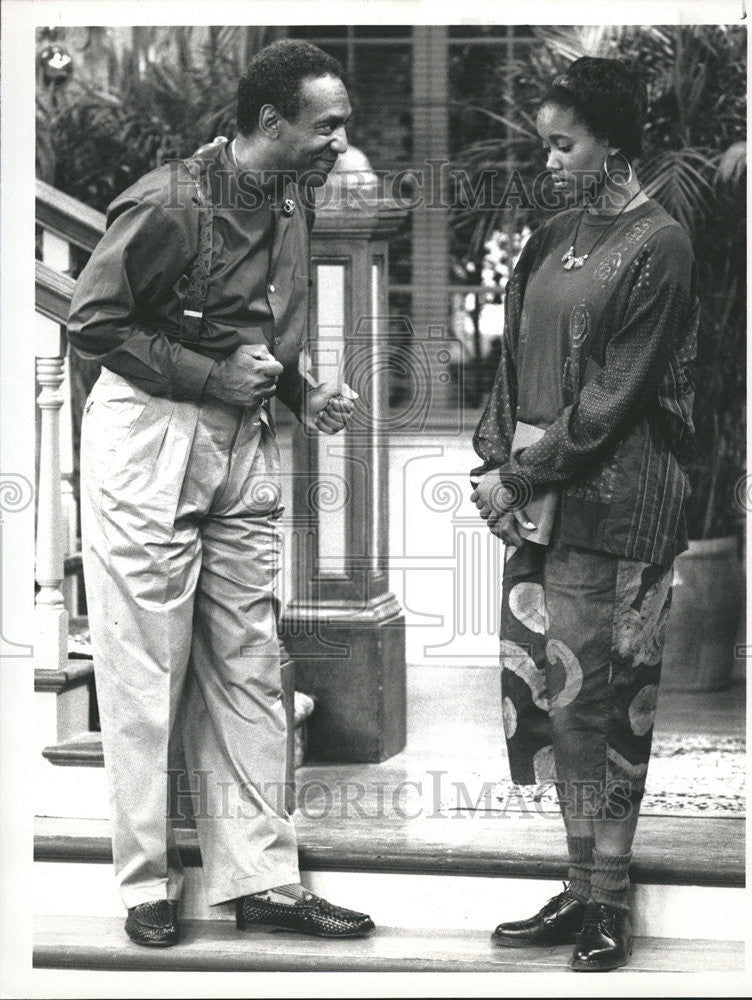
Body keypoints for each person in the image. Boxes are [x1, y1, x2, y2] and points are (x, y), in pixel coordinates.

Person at [68, 39, 374, 947]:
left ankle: (263, 879)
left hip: (240, 438)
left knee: (247, 660)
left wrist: (299, 391)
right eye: (327, 124)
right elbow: (92, 324)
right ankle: (145, 886)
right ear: (269, 123)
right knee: (144, 670)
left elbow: (254, 332)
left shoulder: (288, 195)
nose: (340, 140)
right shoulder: (165, 203)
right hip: (150, 440)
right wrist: (210, 379)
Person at [470, 57, 698, 972]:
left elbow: (613, 400)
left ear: (612, 138)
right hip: (543, 503)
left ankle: (611, 897)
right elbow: (507, 361)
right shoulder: (551, 232)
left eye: (563, 144)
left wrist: (519, 476)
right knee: (556, 695)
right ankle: (574, 888)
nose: (550, 160)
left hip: (623, 504)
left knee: (613, 704)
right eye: (545, 144)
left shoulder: (661, 243)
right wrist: (497, 471)